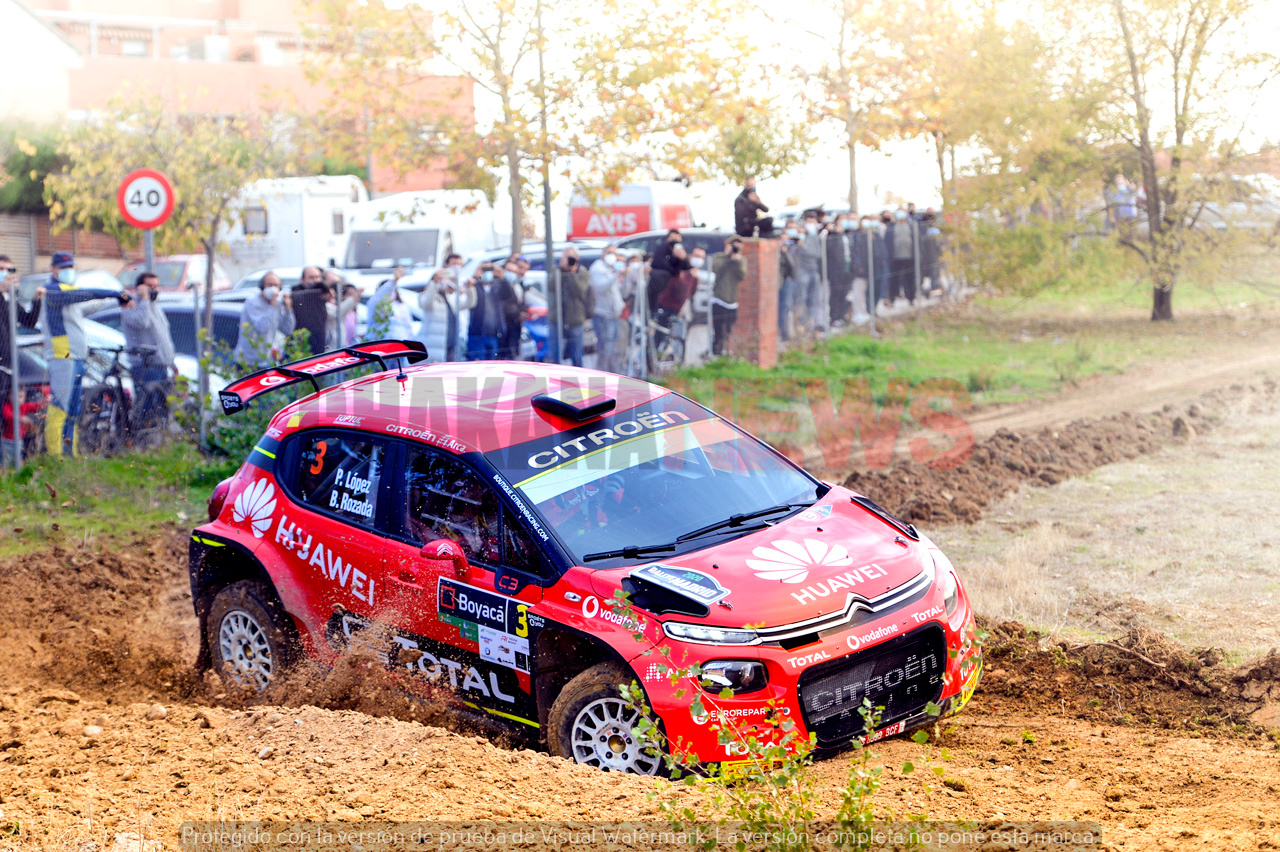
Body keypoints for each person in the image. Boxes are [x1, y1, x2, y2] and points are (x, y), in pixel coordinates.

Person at [39, 252, 130, 456]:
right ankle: (55, 456)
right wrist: (114, 293)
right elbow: (85, 294)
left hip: (76, 356)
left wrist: (114, 300)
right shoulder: (52, 290)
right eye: (63, 268)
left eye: (71, 267)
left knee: (72, 410)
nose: (69, 271)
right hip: (63, 356)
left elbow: (86, 303)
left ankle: (70, 455)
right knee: (60, 406)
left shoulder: (67, 291)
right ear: (53, 269)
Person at [119, 271, 176, 423]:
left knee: (161, 410)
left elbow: (164, 337)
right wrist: (143, 299)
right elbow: (141, 322)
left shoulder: (154, 306)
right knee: (146, 410)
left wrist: (171, 362)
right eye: (149, 286)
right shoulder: (132, 305)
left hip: (161, 367)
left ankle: (158, 442)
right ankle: (141, 442)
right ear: (140, 287)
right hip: (145, 366)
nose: (153, 290)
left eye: (156, 286)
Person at [0, 256, 41, 461]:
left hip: (8, 365)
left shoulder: (10, 298)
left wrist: (37, 300)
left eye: (9, 269)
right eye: (1, 269)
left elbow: (29, 321)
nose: (6, 274)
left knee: (5, 414)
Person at [233, 271, 295, 368]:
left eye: (276, 285)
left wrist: (288, 309)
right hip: (249, 361)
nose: (273, 289)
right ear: (262, 286)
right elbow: (262, 328)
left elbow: (288, 330)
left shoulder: (277, 304)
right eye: (269, 285)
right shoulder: (253, 302)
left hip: (269, 360)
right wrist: (273, 306)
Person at [548, 248, 590, 367]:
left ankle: (577, 382)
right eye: (565, 257)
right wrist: (560, 270)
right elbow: (551, 287)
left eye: (570, 257)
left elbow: (580, 292)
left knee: (576, 355)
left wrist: (572, 274)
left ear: (577, 259)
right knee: (554, 354)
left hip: (575, 319)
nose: (567, 260)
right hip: (556, 319)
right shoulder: (557, 271)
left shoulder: (582, 273)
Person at [418, 267, 471, 362]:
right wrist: (434, 282)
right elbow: (426, 302)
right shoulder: (427, 297)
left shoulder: (450, 299)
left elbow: (469, 303)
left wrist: (470, 288)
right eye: (442, 280)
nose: (445, 282)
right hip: (436, 347)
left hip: (451, 346)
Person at [467, 263, 517, 361]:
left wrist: (501, 275)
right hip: (478, 336)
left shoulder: (496, 287)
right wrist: (477, 273)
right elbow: (475, 281)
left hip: (494, 335)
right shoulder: (476, 287)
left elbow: (510, 295)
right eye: (485, 271)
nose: (487, 273)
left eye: (489, 271)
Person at [589, 247, 626, 373]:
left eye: (614, 253)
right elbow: (601, 287)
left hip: (614, 314)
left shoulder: (610, 268)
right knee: (605, 347)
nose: (612, 256)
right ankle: (603, 372)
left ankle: (612, 372)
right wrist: (616, 275)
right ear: (602, 254)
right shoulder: (598, 269)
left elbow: (615, 291)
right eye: (609, 253)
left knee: (612, 347)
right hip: (603, 315)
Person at [710, 239, 746, 356]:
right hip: (719, 298)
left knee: (729, 329)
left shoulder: (741, 260)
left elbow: (741, 275)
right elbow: (715, 269)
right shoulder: (719, 257)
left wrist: (736, 261)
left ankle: (727, 351)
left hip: (732, 300)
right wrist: (727, 257)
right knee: (718, 329)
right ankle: (716, 352)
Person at [792, 212, 825, 332]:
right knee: (801, 297)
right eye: (808, 222)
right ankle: (800, 324)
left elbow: (818, 254)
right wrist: (803, 247)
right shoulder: (799, 235)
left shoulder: (814, 237)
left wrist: (804, 248)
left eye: (813, 222)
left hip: (813, 270)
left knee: (813, 299)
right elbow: (796, 252)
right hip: (801, 271)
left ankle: (810, 323)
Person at [647, 229, 685, 315]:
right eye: (672, 238)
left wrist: (683, 258)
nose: (674, 240)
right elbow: (660, 263)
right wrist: (675, 272)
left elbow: (684, 267)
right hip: (661, 284)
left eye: (677, 238)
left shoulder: (681, 251)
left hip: (675, 291)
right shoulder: (662, 248)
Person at [885, 209, 918, 305]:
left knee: (910, 280)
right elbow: (887, 242)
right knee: (894, 280)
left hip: (909, 257)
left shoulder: (911, 226)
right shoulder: (892, 227)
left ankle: (911, 298)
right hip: (895, 258)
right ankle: (892, 299)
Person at [826, 216, 855, 326]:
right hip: (836, 271)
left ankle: (841, 316)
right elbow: (830, 251)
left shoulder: (847, 236)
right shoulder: (832, 237)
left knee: (844, 294)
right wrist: (834, 233)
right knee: (835, 295)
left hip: (847, 270)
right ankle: (834, 317)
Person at [292, 265, 328, 354]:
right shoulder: (296, 294)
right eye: (311, 277)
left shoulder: (323, 293)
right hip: (301, 344)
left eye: (318, 277)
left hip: (320, 343)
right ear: (302, 280)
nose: (315, 280)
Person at [322, 271, 360, 350]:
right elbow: (337, 313)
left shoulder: (352, 312)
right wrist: (354, 298)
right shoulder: (327, 306)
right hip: (330, 349)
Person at [497, 259, 526, 360]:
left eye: (514, 271)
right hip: (505, 325)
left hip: (515, 326)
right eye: (508, 270)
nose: (511, 273)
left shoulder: (518, 285)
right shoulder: (500, 284)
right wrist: (517, 314)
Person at [778, 227, 797, 342]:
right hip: (778, 283)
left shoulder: (790, 250)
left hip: (787, 282)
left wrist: (785, 253)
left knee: (786, 308)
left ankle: (785, 333)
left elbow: (792, 266)